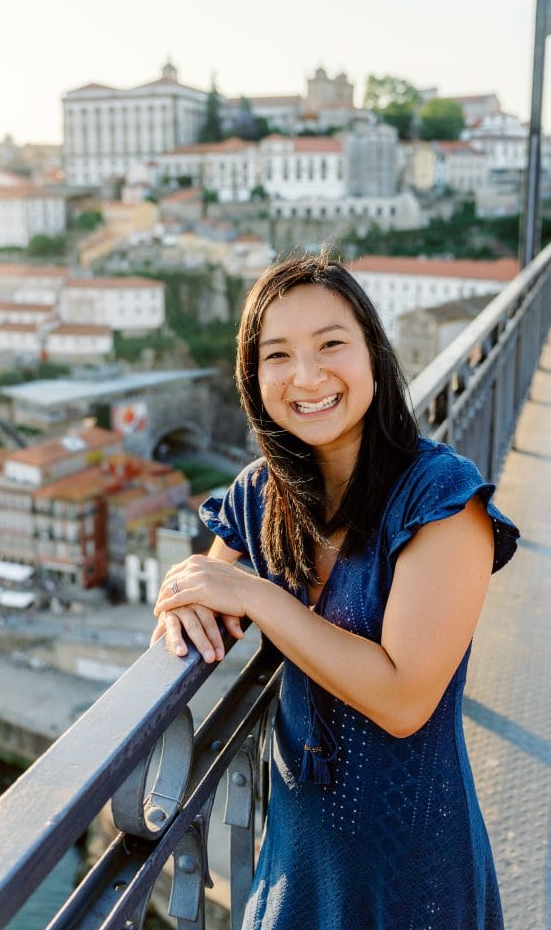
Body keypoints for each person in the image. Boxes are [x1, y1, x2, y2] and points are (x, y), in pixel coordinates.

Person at [152, 251, 519, 930]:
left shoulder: (439, 497)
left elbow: (403, 699)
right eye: (277, 356)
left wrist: (261, 599)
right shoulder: (262, 492)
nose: (307, 376)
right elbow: (204, 581)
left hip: (411, 873)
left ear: (373, 355)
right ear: (251, 374)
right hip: (295, 860)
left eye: (330, 345)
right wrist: (190, 595)